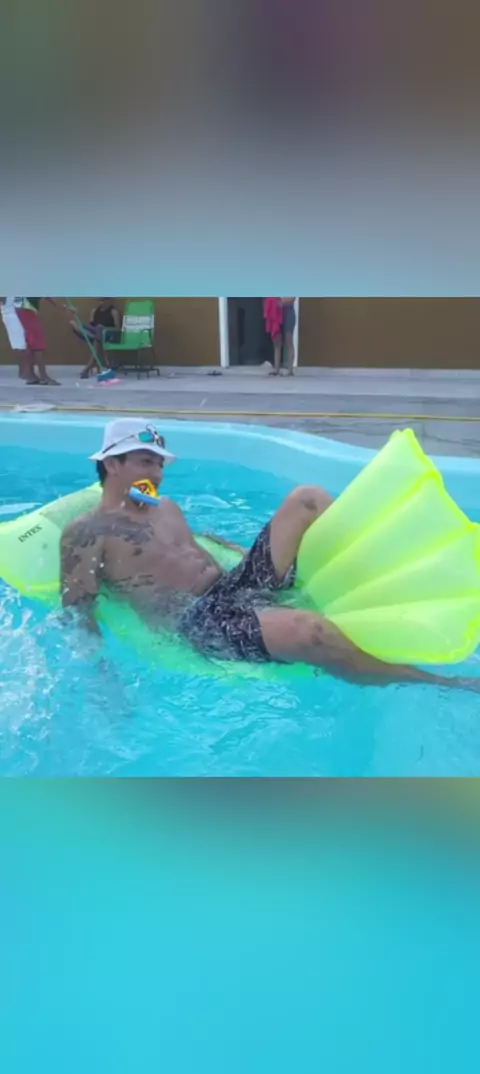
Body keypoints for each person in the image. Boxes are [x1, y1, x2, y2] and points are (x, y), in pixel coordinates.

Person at [60, 418, 480, 692]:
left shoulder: (162, 505)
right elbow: (77, 608)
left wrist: (245, 553)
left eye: (159, 464)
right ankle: (436, 682)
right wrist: (102, 678)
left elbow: (194, 543)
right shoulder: (86, 532)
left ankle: (385, 572)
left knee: (307, 498)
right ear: (112, 465)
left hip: (232, 585)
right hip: (199, 621)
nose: (156, 473)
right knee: (309, 631)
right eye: (145, 462)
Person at [0, 297, 63, 385]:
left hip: (19, 309)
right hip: (14, 311)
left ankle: (31, 375)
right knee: (24, 345)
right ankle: (34, 375)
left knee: (26, 345)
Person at [70, 298, 120, 378]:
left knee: (99, 330)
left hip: (108, 334)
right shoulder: (94, 311)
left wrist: (103, 329)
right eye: (100, 301)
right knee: (75, 324)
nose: (101, 303)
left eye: (103, 300)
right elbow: (91, 325)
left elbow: (117, 329)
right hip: (96, 333)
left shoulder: (113, 311)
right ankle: (92, 336)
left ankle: (87, 368)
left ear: (108, 300)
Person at [263, 297, 297, 376]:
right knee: (277, 342)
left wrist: (280, 302)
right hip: (276, 312)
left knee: (288, 340)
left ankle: (290, 370)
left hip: (288, 312)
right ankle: (276, 369)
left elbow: (292, 298)